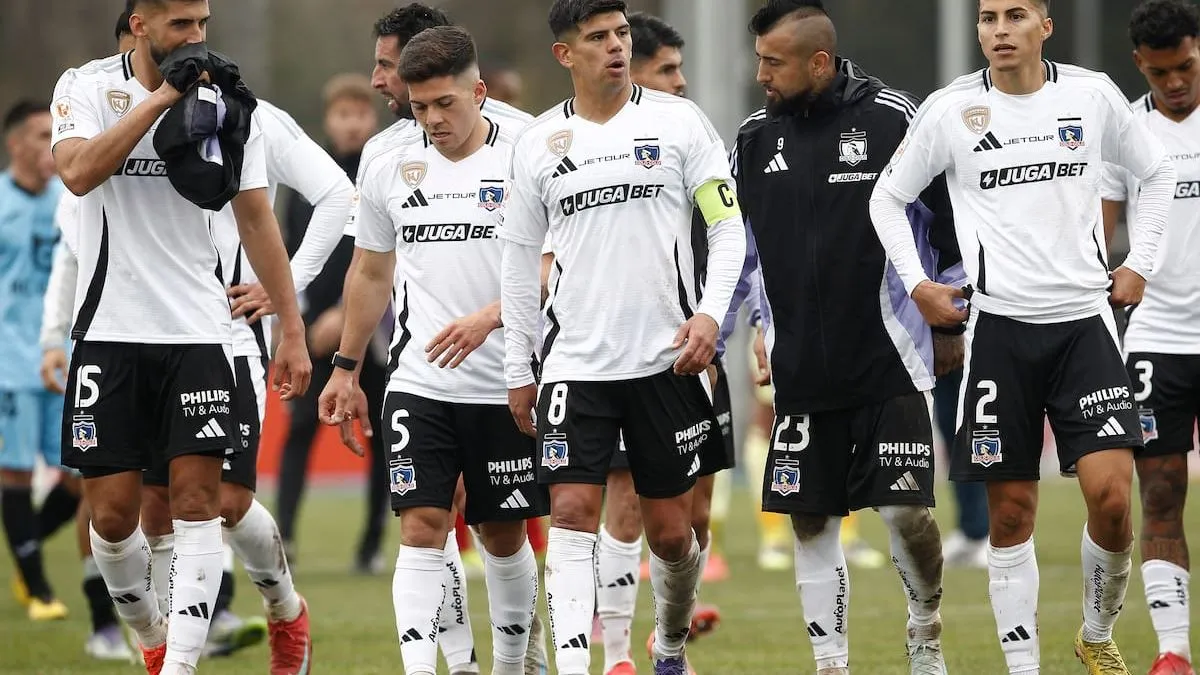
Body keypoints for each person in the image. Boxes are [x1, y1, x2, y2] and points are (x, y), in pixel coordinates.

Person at [870, 0, 1178, 672]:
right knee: (1010, 515)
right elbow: (886, 197)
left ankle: (1096, 633)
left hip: (1083, 327)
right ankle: (1024, 666)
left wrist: (1139, 262)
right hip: (997, 333)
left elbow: (1155, 174)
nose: (999, 30)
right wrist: (918, 282)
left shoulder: (1092, 97)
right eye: (987, 18)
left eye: (1015, 15)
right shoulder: (951, 111)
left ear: (1046, 25)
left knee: (1113, 498)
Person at [50, 0, 312, 672]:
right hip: (109, 333)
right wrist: (163, 98)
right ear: (140, 25)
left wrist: (290, 327)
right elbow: (78, 172)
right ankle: (153, 639)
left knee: (200, 504)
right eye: (180, 26)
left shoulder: (226, 101)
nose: (196, 39)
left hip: (201, 333)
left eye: (203, 25)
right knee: (111, 520)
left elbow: (257, 220)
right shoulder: (85, 87)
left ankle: (180, 666)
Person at [501, 1, 746, 672]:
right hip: (575, 364)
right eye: (597, 38)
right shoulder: (539, 144)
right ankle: (588, 665)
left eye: (620, 34)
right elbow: (519, 261)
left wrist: (710, 315)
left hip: (664, 362)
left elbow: (727, 227)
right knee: (573, 511)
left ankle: (668, 645)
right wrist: (518, 366)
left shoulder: (677, 121)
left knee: (671, 534)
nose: (614, 46)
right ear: (565, 54)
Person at [733, 2, 958, 672]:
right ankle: (831, 661)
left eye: (773, 62)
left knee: (904, 510)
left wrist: (953, 315)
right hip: (799, 361)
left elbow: (947, 217)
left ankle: (925, 625)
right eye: (758, 59)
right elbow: (738, 245)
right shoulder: (751, 137)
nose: (760, 74)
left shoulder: (893, 116)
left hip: (889, 355)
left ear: (819, 62)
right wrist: (755, 320)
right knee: (809, 517)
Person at [319, 25, 549, 675]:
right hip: (420, 380)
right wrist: (346, 365)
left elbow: (560, 263)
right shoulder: (388, 157)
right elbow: (369, 271)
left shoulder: (529, 148)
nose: (432, 119)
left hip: (505, 378)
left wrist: (490, 318)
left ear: (478, 90)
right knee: (421, 526)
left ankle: (511, 664)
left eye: (446, 104)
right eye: (420, 107)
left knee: (501, 535)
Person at [1100, 2, 1200, 673]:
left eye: (1187, 66)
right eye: (1161, 71)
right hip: (1158, 336)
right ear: (1140, 63)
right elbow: (1101, 236)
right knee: (1159, 493)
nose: (1175, 82)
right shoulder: (1124, 133)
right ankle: (1174, 652)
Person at [272, 73, 389, 576]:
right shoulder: (305, 180)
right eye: (343, 115)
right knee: (300, 429)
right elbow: (284, 252)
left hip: (374, 332)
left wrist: (350, 316)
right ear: (328, 119)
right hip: (310, 327)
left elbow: (389, 254)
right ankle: (287, 540)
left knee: (381, 434)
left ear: (373, 117)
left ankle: (370, 546)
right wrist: (295, 319)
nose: (353, 124)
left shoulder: (383, 171)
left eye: (361, 114)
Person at [0, 99, 75, 623]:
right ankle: (39, 587)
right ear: (14, 143)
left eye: (54, 134)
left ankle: (24, 551)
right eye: (39, 134)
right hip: (9, 361)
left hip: (63, 358)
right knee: (18, 475)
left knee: (77, 477)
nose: (48, 144)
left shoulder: (68, 201)